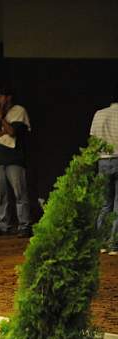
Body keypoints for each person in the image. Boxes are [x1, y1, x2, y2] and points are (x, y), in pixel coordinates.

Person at [0, 85, 32, 238]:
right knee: (2, 195)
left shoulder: (19, 111)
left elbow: (13, 132)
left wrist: (2, 119)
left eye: (1, 96)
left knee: (19, 193)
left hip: (14, 158)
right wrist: (3, 128)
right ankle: (4, 225)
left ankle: (24, 225)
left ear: (8, 97)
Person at [90, 82, 118, 255]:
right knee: (117, 205)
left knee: (104, 204)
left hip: (103, 161)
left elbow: (92, 140)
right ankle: (114, 244)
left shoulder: (99, 114)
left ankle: (101, 243)